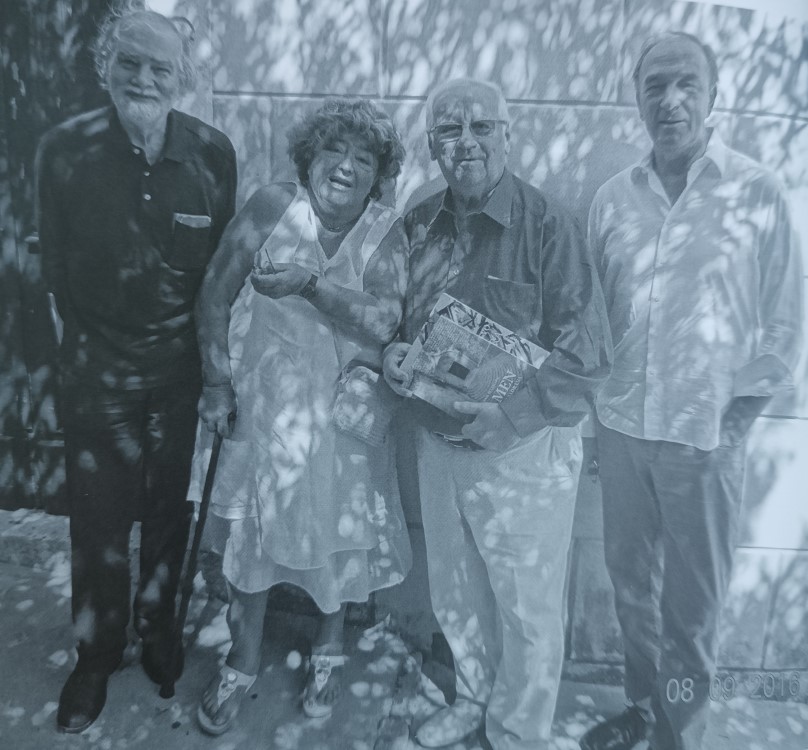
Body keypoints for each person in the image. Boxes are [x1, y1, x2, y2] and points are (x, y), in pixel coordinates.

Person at [580, 32, 803, 750]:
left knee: (692, 607)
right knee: (631, 592)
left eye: (687, 85)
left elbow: (785, 323)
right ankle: (643, 709)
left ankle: (679, 732)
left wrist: (734, 426)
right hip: (622, 430)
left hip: (704, 442)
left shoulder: (756, 191)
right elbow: (592, 319)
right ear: (637, 97)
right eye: (656, 86)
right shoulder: (612, 199)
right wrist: (592, 428)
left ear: (713, 96)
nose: (670, 101)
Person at [383, 78, 613, 750]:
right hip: (438, 443)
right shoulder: (418, 220)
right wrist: (393, 353)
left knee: (526, 608)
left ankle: (518, 733)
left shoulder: (548, 224)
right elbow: (396, 320)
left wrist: (511, 419)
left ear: (507, 136)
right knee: (455, 590)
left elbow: (589, 355)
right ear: (432, 146)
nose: (466, 142)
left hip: (523, 451)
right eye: (449, 130)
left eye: (481, 127)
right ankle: (475, 700)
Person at [35, 8, 237, 734]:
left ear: (183, 76)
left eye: (160, 67)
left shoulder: (212, 153)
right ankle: (96, 655)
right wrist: (77, 362)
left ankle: (157, 631)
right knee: (97, 519)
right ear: (106, 65)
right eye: (130, 62)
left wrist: (215, 372)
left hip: (178, 374)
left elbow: (221, 276)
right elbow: (52, 271)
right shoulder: (64, 149)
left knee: (167, 511)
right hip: (97, 372)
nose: (143, 78)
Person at [190, 98, 412, 735]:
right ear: (308, 157)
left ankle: (328, 652)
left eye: (363, 157)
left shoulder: (385, 229)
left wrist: (311, 284)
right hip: (260, 411)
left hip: (341, 420)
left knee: (339, 538)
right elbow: (214, 294)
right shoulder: (271, 206)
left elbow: (384, 320)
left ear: (378, 174)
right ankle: (241, 662)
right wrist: (216, 383)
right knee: (249, 544)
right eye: (333, 149)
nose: (345, 166)